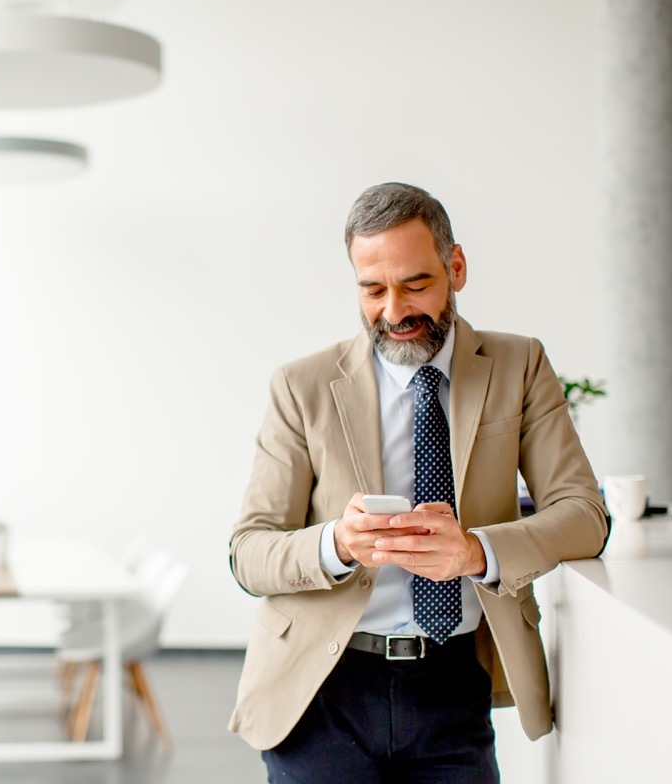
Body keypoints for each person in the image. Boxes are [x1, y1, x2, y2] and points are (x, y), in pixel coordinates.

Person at [227, 182, 608, 783]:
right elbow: (248, 552)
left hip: (453, 684)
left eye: (416, 284)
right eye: (373, 289)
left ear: (456, 267)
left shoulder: (520, 364)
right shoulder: (300, 386)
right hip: (321, 690)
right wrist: (337, 546)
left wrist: (477, 551)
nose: (394, 311)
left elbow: (584, 512)